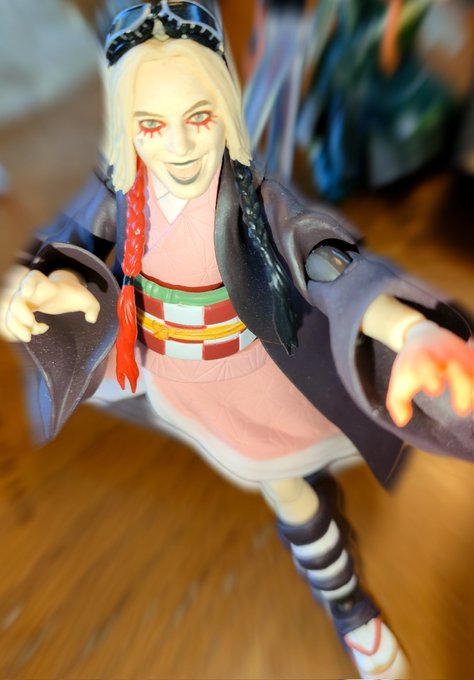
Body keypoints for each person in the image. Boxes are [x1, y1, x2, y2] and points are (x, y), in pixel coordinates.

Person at [1, 2, 473, 678]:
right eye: (151, 125)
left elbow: (328, 264)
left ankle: (348, 606)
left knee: (289, 490)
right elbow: (60, 247)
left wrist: (410, 327)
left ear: (224, 107)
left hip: (254, 373)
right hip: (176, 375)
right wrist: (31, 287)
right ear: (126, 127)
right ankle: (346, 599)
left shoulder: (256, 198)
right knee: (283, 485)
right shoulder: (121, 192)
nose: (178, 146)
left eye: (198, 117)